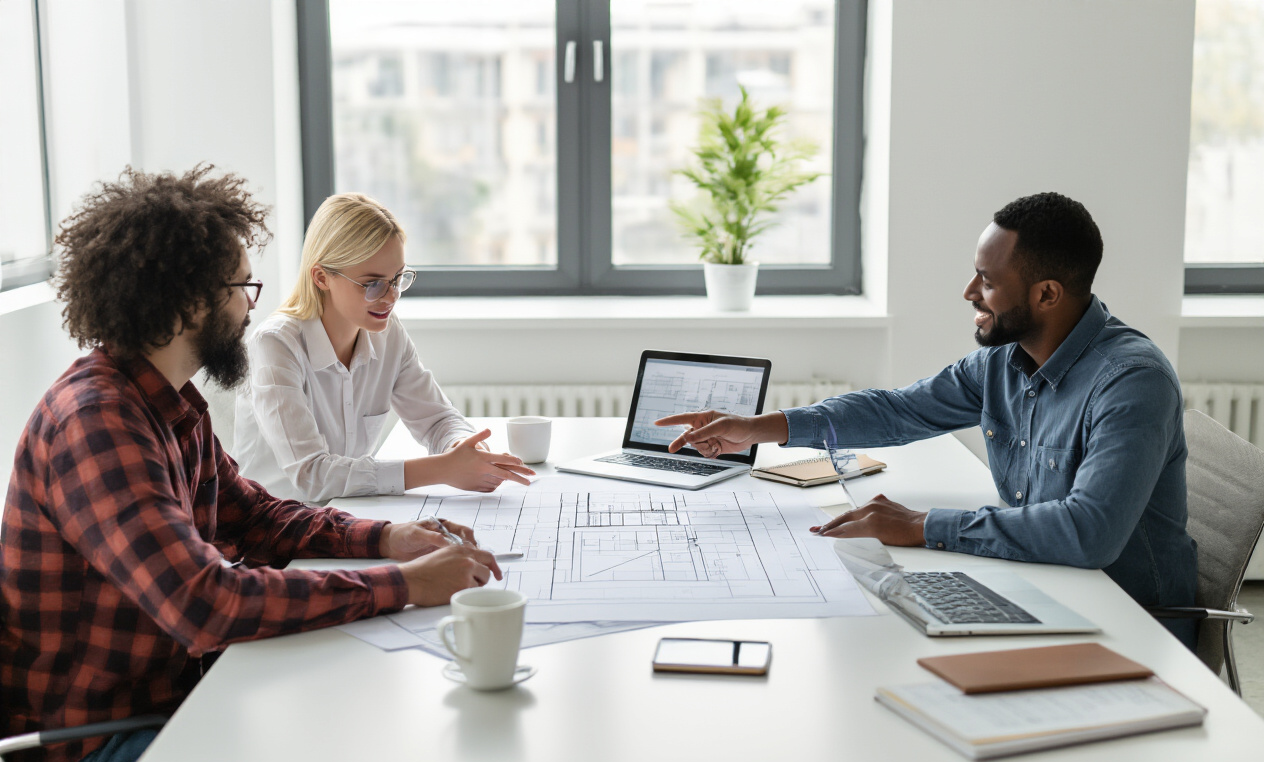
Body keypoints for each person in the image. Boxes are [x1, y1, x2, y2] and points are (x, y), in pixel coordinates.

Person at [0, 166, 502, 762]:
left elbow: (257, 517)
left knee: (368, 742)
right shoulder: (97, 424)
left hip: (170, 709)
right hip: (90, 761)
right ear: (189, 303)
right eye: (241, 287)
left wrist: (387, 537)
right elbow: (206, 603)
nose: (251, 306)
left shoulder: (170, 404)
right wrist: (404, 584)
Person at [657, 192, 1197, 648]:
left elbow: (1088, 533)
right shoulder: (1004, 361)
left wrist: (921, 525)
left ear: (1047, 294)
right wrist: (761, 427)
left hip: (1130, 625)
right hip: (1046, 586)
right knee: (866, 630)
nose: (969, 292)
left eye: (987, 281)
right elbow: (898, 409)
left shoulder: (1131, 382)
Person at [233, 192, 533, 503]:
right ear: (322, 277)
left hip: (346, 515)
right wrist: (443, 469)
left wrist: (464, 448)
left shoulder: (387, 334)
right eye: (374, 284)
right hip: (274, 524)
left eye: (397, 279)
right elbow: (312, 475)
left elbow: (438, 420)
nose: (391, 297)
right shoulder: (275, 345)